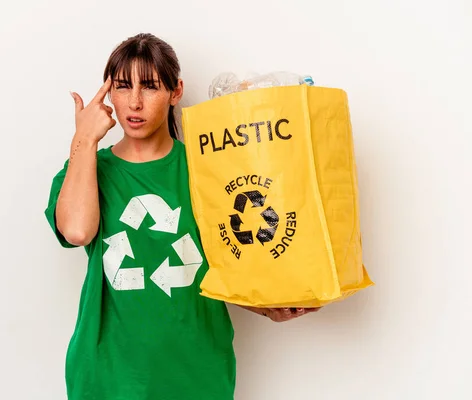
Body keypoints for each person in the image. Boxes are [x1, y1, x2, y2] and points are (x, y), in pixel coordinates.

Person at [44, 33, 319, 400]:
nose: (135, 102)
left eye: (151, 87)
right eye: (123, 87)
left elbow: (217, 266)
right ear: (108, 95)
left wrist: (268, 309)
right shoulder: (86, 167)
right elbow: (77, 231)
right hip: (107, 378)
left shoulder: (208, 169)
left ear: (176, 91)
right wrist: (84, 140)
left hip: (197, 374)